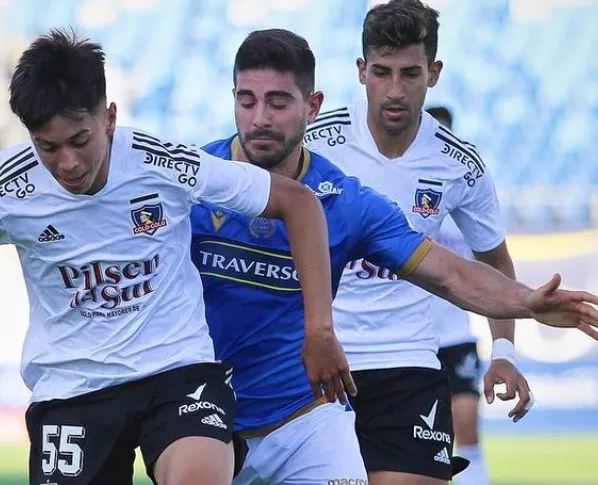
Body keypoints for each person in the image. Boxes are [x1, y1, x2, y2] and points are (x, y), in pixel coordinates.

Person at [0, 29, 355, 485]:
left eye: (80, 140)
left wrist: (318, 329)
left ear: (110, 117)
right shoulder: (3, 189)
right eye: (48, 147)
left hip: (177, 372)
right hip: (72, 387)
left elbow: (299, 203)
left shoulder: (165, 164)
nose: (68, 163)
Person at [192, 27, 598, 485]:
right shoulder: (192, 183)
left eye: (279, 103)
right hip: (221, 400)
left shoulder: (352, 199)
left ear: (311, 106)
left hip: (331, 399)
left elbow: (450, 273)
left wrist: (524, 304)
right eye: (247, 101)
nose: (261, 117)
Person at [304, 1, 543, 483]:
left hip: (408, 363)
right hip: (320, 360)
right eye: (382, 72)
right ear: (361, 71)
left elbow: (492, 260)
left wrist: (504, 353)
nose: (395, 90)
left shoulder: (460, 163)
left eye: (410, 73)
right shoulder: (314, 141)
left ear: (433, 73)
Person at [426, 106, 492, 485]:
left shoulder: (465, 198)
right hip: (409, 340)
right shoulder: (398, 196)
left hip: (456, 335)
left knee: (466, 430)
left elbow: (489, 267)